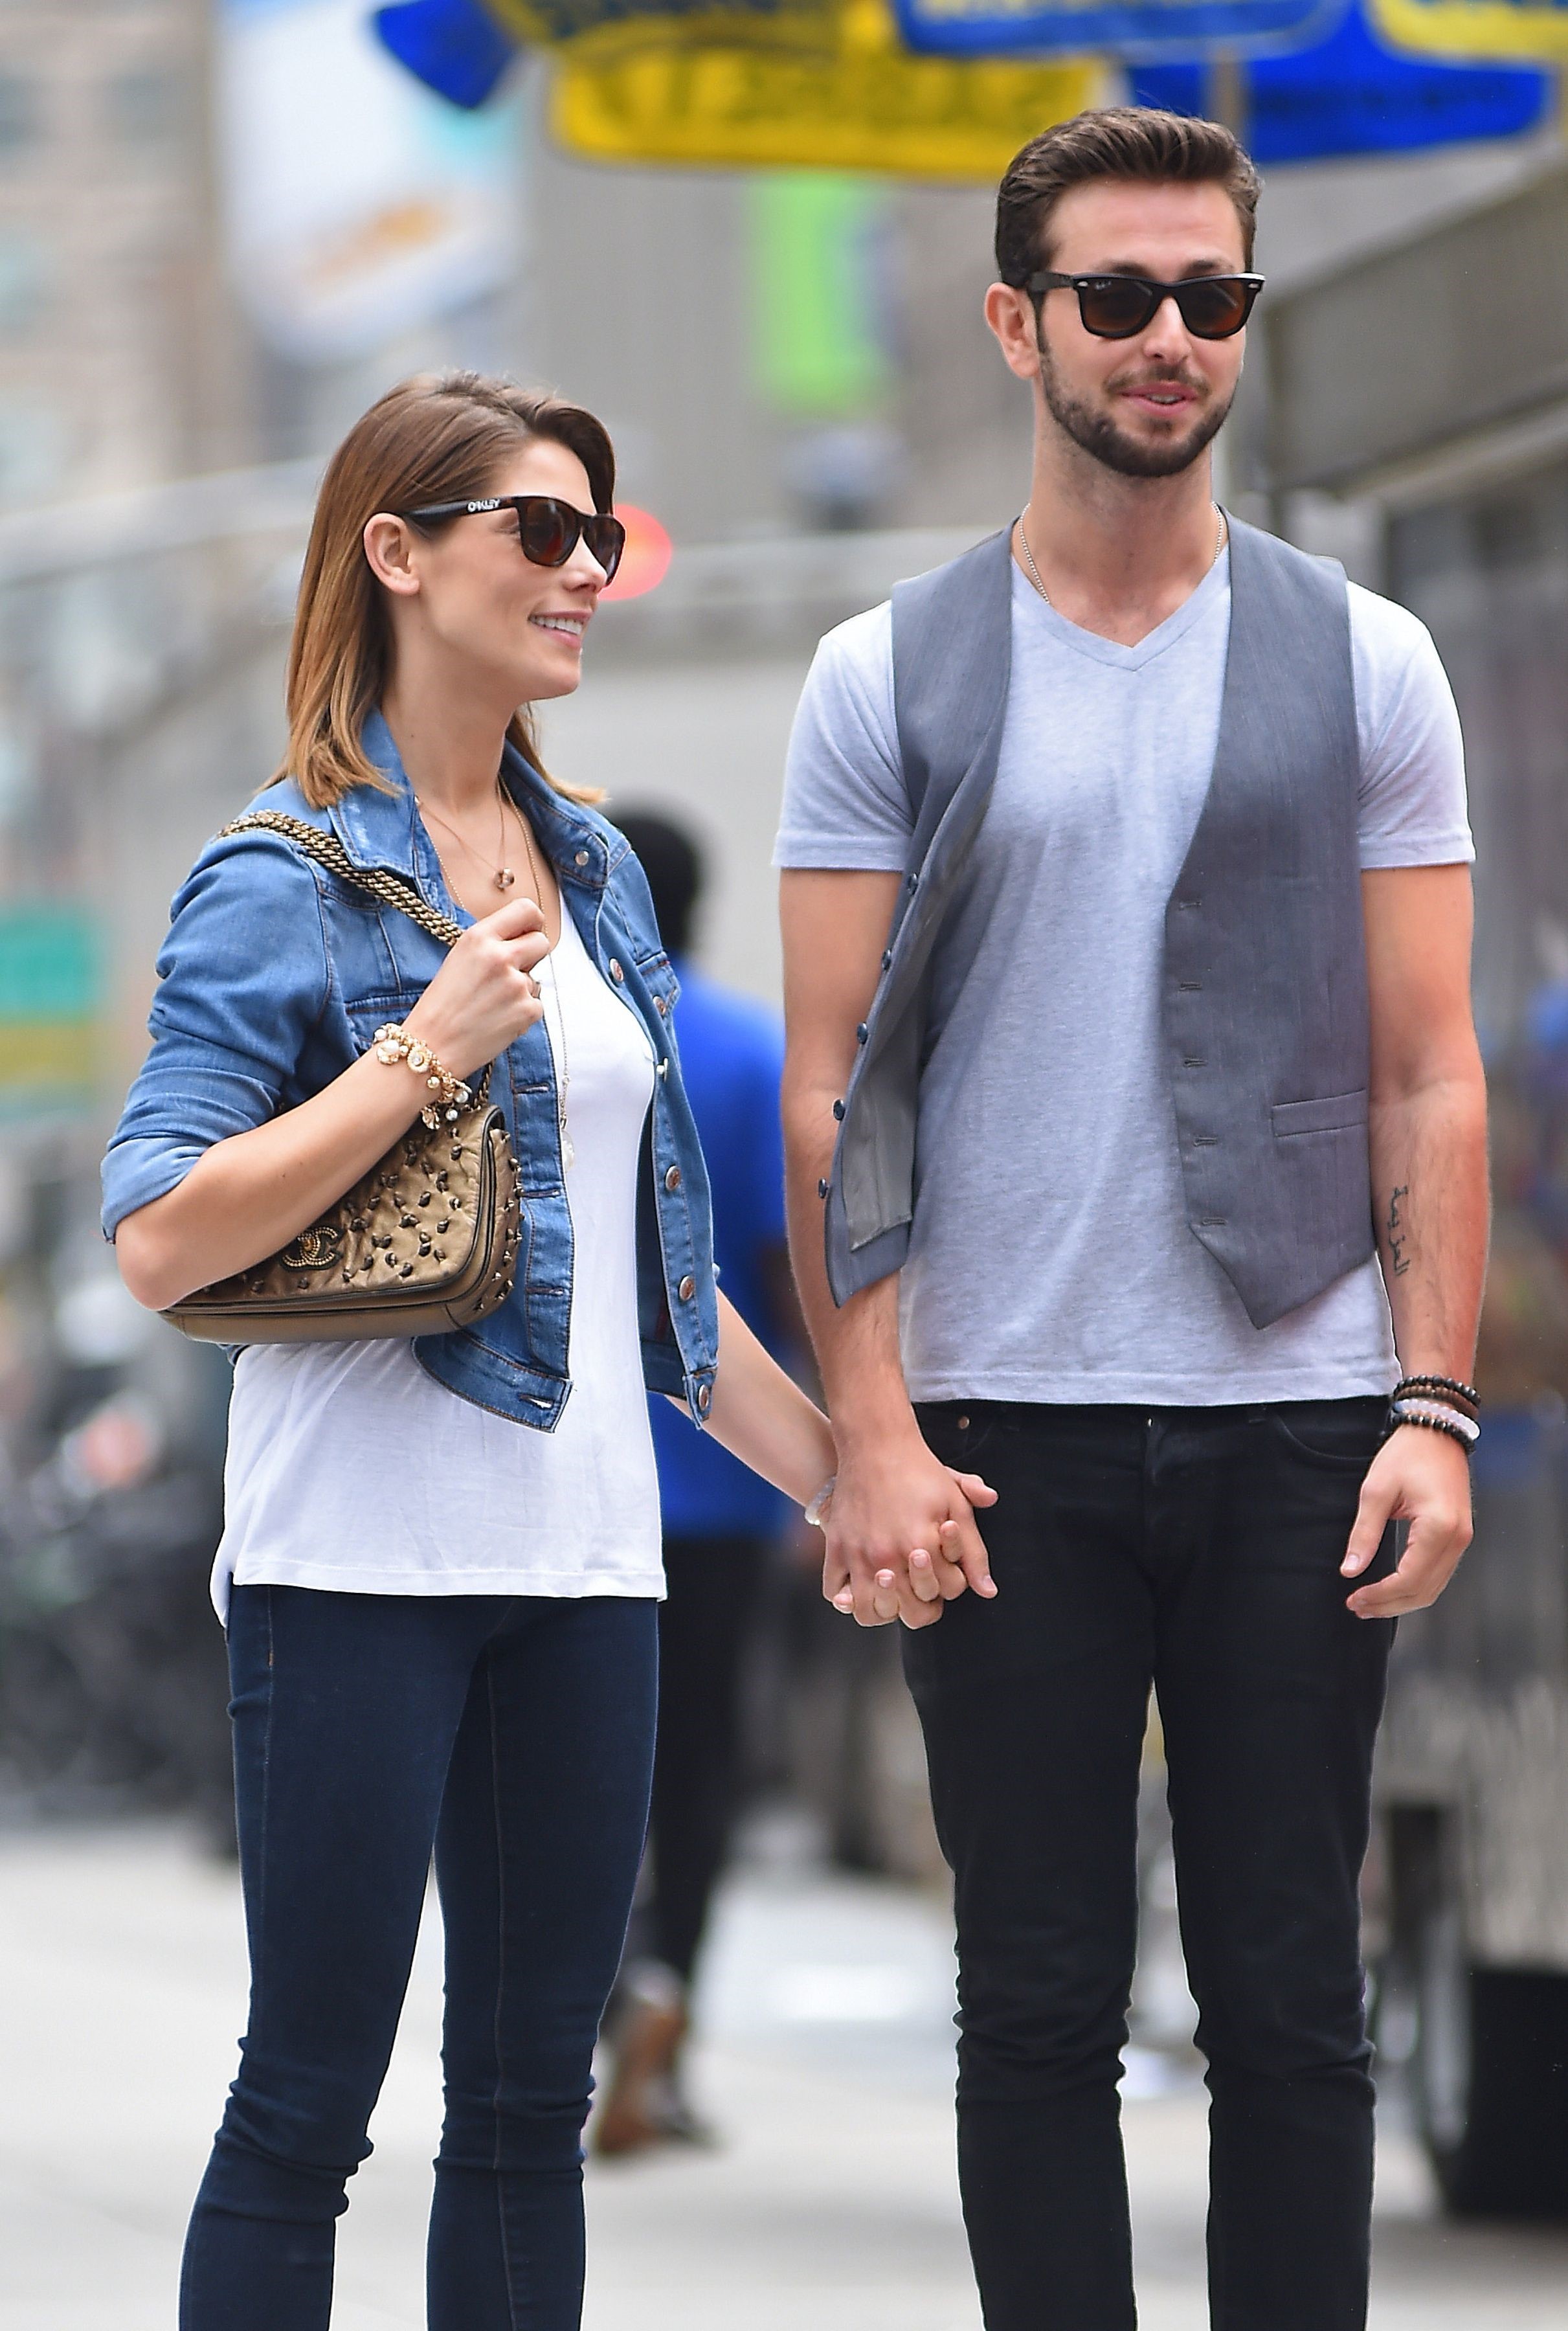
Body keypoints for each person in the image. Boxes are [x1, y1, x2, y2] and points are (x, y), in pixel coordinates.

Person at [101, 371, 989, 2331]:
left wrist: (862, 1479)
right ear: (397, 552)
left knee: (523, 2107)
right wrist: (419, 1050)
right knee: (306, 2107)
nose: (583, 569)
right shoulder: (284, 874)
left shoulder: (587, 873)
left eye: (599, 532)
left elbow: (670, 1307)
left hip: (585, 1576)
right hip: (355, 1570)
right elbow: (161, 1232)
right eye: (540, 529)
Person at [776, 109, 1488, 2331]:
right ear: (1018, 324)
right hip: (1001, 1427)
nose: (1170, 339)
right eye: (1119, 297)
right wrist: (872, 1430)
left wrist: (1433, 1404)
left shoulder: (1362, 657)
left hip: (1293, 1412)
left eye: (1213, 299)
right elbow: (828, 1083)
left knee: (1293, 2002)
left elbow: (1427, 1066)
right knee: (1038, 2003)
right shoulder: (879, 671)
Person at [594, 809, 792, 2156]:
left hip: (583, 1481)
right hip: (725, 1482)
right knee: (703, 1760)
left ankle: (600, 1997)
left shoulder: (562, 1034)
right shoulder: (744, 1051)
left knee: (580, 1761)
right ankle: (670, 2004)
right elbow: (788, 1266)